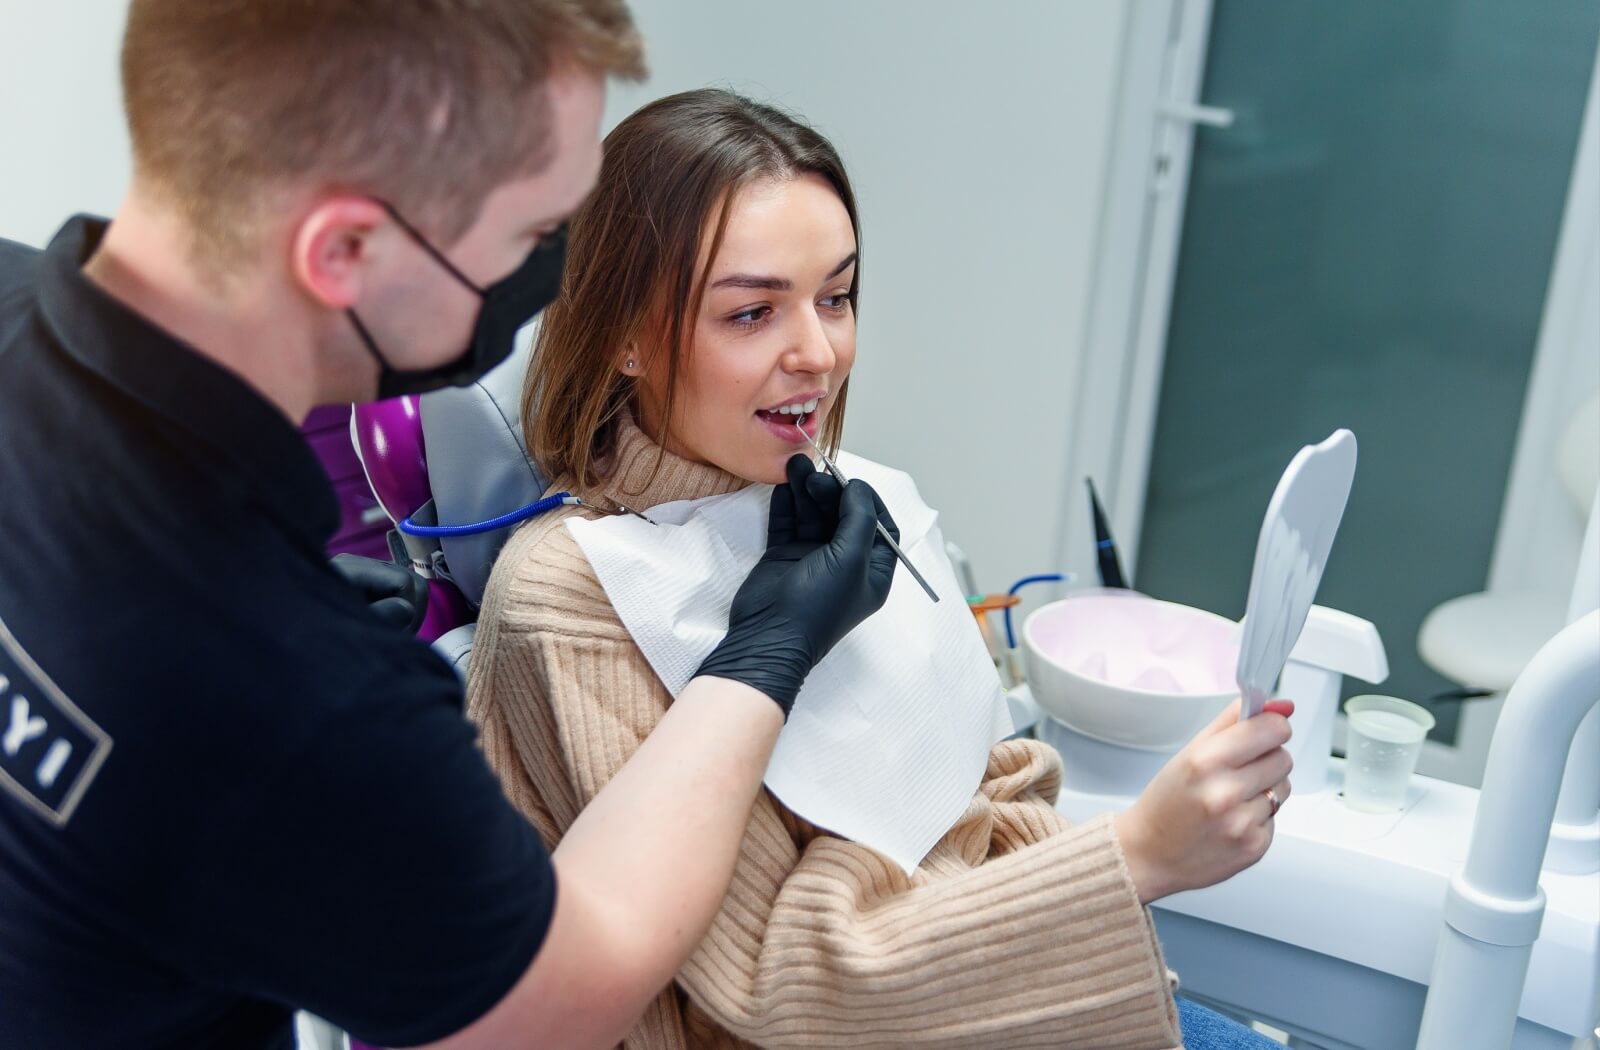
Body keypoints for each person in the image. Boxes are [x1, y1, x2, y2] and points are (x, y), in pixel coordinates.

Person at [0, 7, 900, 1050]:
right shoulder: (303, 703)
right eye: (529, 238)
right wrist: (763, 656)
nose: (554, 282)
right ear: (344, 249)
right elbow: (568, 992)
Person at [468, 87, 1297, 1049]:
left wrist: (1076, 925)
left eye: (837, 296)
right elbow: (768, 995)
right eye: (751, 314)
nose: (819, 353)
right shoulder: (572, 599)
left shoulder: (858, 502)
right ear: (624, 336)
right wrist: (1138, 855)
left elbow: (989, 792)